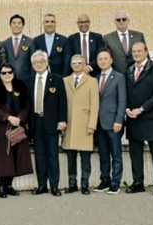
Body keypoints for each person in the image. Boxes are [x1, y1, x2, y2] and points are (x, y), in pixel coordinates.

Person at [0, 64, 32, 198]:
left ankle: (9, 185)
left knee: (15, 156)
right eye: (4, 73)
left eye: (9, 72)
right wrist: (8, 117)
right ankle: (1, 187)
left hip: (17, 127)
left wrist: (20, 118)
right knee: (2, 158)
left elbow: (27, 105)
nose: (7, 75)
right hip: (1, 127)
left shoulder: (20, 86)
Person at [124, 41, 153, 195]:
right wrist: (128, 109)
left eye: (139, 51)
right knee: (135, 152)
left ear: (146, 51)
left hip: (151, 117)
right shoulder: (128, 70)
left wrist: (141, 109)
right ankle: (138, 182)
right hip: (133, 118)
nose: (136, 54)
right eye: (134, 51)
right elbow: (126, 92)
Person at [29, 51, 68, 197]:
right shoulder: (29, 80)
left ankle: (54, 186)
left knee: (52, 155)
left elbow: (62, 101)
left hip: (52, 122)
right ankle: (41, 185)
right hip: (36, 122)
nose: (39, 64)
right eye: (36, 62)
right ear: (32, 65)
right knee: (39, 156)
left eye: (41, 61)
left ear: (47, 63)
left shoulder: (56, 79)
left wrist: (62, 120)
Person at [62, 55, 99, 195]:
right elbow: (62, 104)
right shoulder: (65, 81)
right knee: (71, 157)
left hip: (85, 124)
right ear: (70, 65)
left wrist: (92, 125)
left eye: (80, 62)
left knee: (85, 157)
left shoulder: (92, 81)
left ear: (84, 64)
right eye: (74, 62)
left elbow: (94, 104)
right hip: (70, 123)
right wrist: (62, 124)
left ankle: (84, 184)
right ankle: (72, 183)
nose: (77, 65)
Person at [93, 49, 127, 194]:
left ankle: (115, 182)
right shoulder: (94, 78)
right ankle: (105, 180)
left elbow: (122, 100)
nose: (103, 61)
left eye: (105, 59)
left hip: (113, 123)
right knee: (103, 154)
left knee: (116, 154)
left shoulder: (119, 77)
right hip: (98, 123)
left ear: (111, 60)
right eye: (100, 59)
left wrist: (119, 120)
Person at [3, 14, 35, 87]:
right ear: (10, 25)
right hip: (9, 79)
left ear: (23, 25)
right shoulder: (5, 43)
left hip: (26, 79)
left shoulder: (30, 42)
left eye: (19, 23)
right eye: (14, 23)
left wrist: (32, 78)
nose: (16, 25)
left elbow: (33, 62)